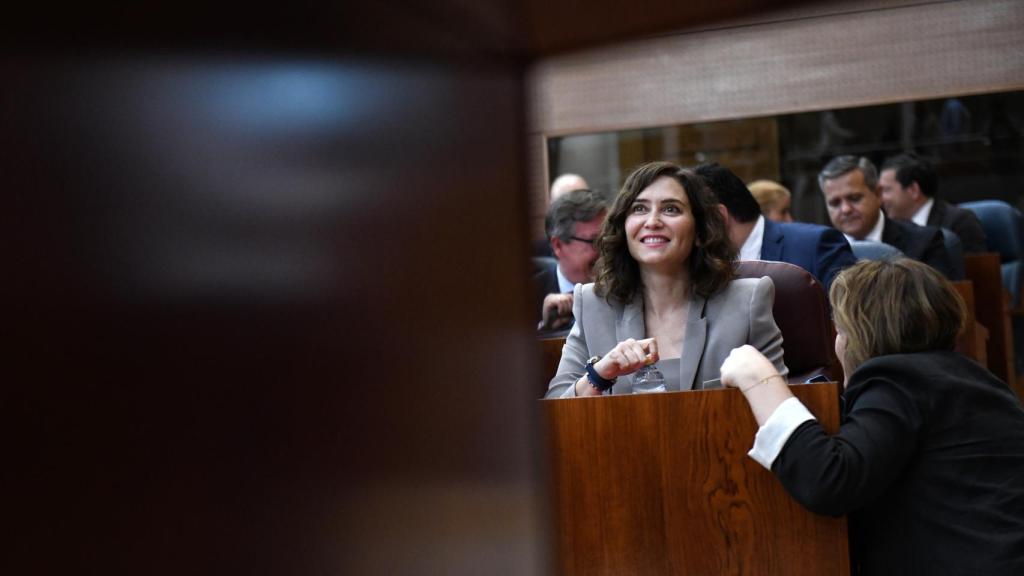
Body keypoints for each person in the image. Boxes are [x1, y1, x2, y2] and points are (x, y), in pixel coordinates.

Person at [720, 258, 1024, 576]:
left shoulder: (900, 379)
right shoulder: (973, 378)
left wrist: (760, 380)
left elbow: (829, 480)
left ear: (854, 336)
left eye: (840, 330)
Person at [545, 161, 787, 398]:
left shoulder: (747, 301)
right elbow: (556, 409)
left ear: (700, 231)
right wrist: (599, 375)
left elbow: (778, 412)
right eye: (639, 209)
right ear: (623, 228)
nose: (652, 221)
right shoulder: (593, 304)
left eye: (671, 209)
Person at [696, 163, 855, 293]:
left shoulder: (817, 246)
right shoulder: (701, 268)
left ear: (717, 217)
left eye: (692, 218)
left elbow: (854, 321)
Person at [819, 155, 956, 279]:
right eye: (834, 203)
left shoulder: (924, 243)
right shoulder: (821, 253)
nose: (845, 209)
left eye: (854, 198)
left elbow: (935, 304)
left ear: (878, 194)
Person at [879, 152, 987, 253]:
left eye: (886, 190)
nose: (881, 199)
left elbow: (974, 271)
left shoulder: (960, 223)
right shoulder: (890, 228)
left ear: (913, 190)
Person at [535, 188, 607, 332]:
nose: (606, 250)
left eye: (609, 237)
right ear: (558, 245)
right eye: (594, 241)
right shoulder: (528, 296)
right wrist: (545, 328)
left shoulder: (628, 286)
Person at [535, 173, 591, 257]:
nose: (578, 210)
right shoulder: (537, 253)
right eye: (569, 205)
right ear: (552, 206)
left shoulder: (603, 244)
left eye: (584, 201)